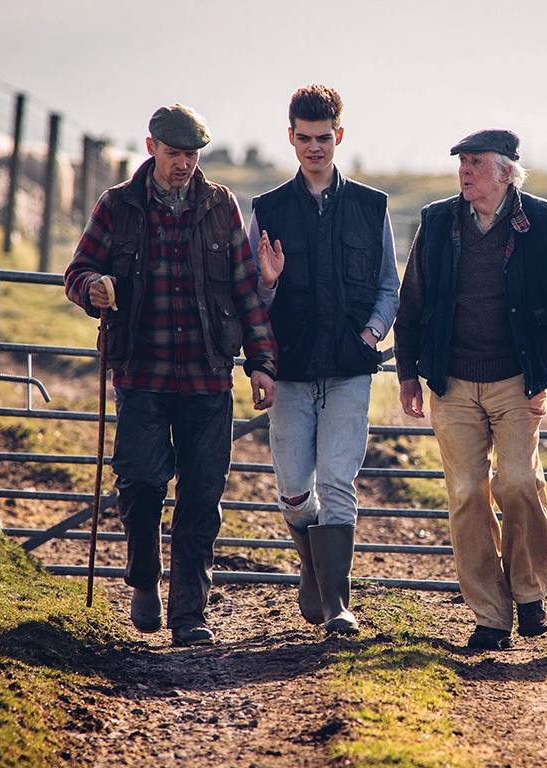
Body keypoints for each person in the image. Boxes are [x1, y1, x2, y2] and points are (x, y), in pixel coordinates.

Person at [393, 129, 547, 650]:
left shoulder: (541, 221)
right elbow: (412, 300)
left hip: (516, 381)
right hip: (452, 382)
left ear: (505, 172)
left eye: (475, 162)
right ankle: (490, 615)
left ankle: (529, 593)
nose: (464, 171)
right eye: (461, 162)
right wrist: (408, 372)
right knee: (465, 494)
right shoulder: (437, 221)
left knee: (520, 481)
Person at [64, 104, 277, 647]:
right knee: (140, 481)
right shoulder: (117, 205)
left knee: (202, 496)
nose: (184, 163)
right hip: (141, 372)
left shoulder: (221, 205)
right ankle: (143, 578)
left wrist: (261, 362)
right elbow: (77, 271)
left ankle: (189, 615)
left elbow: (245, 289)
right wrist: (92, 288)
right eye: (174, 153)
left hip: (208, 375)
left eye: (192, 155)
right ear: (151, 147)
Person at [249, 85, 400, 635]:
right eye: (304, 138)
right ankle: (313, 569)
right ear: (290, 138)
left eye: (323, 138)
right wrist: (268, 283)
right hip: (290, 372)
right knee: (294, 490)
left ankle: (336, 602)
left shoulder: (371, 206)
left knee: (337, 481)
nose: (315, 147)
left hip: (349, 370)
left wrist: (371, 334)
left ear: (339, 135)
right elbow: (250, 302)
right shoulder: (267, 210)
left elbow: (388, 286)